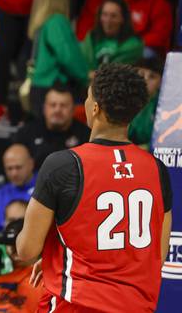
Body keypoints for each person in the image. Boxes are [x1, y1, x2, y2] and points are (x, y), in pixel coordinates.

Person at [16, 63, 173, 312]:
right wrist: (56, 258)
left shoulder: (63, 165)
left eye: (88, 96)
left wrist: (49, 253)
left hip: (77, 304)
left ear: (96, 108)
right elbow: (157, 253)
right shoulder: (156, 169)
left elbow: (26, 250)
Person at [26, 0, 88, 118]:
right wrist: (85, 77)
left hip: (40, 87)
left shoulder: (42, 24)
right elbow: (67, 56)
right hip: (55, 89)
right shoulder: (57, 21)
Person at [13, 85, 90, 169]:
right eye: (53, 105)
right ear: (44, 108)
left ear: (72, 110)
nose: (57, 110)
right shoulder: (26, 133)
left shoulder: (86, 135)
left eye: (63, 105)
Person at [0, 145, 36, 234]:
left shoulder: (44, 191)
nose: (14, 173)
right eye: (9, 168)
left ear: (31, 164)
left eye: (18, 167)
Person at [80, 0, 144, 71]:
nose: (108, 20)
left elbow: (116, 72)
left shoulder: (134, 44)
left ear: (123, 19)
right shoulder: (91, 38)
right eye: (104, 14)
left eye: (113, 16)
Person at [129, 56, 164, 146]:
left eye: (152, 77)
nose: (145, 79)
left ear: (161, 82)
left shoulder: (164, 106)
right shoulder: (121, 100)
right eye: (141, 75)